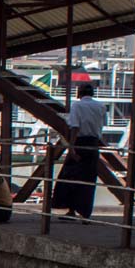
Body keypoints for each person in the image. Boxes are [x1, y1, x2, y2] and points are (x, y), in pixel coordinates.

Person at [52, 83, 105, 221]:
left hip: (79, 143)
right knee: (88, 180)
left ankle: (71, 211)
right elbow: (102, 125)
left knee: (70, 177)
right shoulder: (101, 106)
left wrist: (71, 147)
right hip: (93, 144)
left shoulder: (77, 105)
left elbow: (75, 126)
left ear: (79, 93)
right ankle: (86, 213)